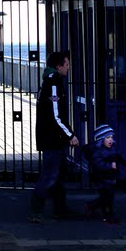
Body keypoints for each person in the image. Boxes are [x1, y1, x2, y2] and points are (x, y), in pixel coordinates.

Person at [28, 51, 80, 222]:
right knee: (50, 175)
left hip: (52, 137)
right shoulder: (54, 83)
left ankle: (60, 209)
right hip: (52, 139)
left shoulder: (50, 80)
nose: (69, 67)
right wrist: (70, 135)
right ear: (59, 66)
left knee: (59, 175)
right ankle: (36, 211)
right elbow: (55, 115)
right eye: (67, 64)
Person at [84, 124, 126, 224]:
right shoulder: (96, 151)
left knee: (107, 197)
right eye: (108, 137)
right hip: (102, 178)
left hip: (111, 177)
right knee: (107, 198)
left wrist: (125, 162)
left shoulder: (113, 148)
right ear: (101, 139)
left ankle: (90, 206)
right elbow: (97, 164)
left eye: (112, 137)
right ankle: (108, 216)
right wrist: (110, 165)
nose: (111, 140)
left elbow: (119, 155)